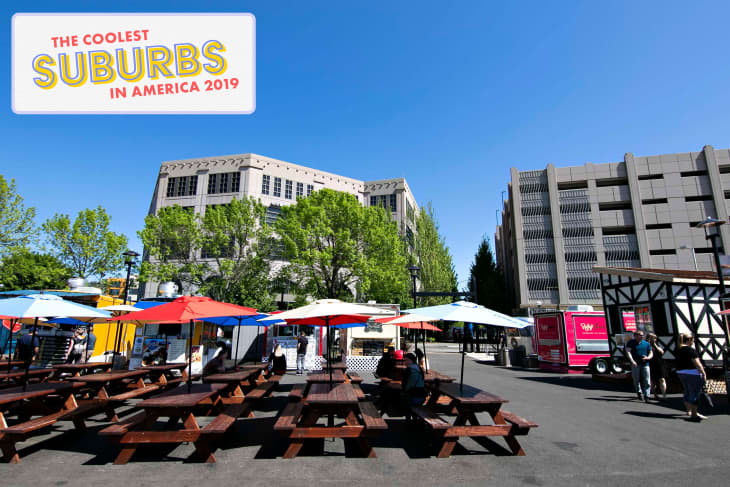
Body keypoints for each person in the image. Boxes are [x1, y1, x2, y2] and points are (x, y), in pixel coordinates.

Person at [676, 333, 707, 421]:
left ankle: (688, 410)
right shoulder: (690, 350)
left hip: (681, 372)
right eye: (692, 339)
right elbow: (697, 363)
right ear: (689, 340)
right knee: (694, 393)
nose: (693, 341)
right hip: (692, 373)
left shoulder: (678, 349)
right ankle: (694, 413)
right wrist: (703, 373)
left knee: (687, 391)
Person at [625, 330, 653, 402]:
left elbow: (650, 352)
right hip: (635, 364)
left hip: (645, 364)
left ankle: (647, 396)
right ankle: (639, 392)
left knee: (647, 380)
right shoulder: (631, 343)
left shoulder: (646, 343)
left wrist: (648, 357)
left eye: (642, 335)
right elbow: (628, 352)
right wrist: (632, 361)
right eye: (640, 335)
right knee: (636, 379)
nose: (642, 336)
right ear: (635, 336)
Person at [401, 352, 427, 420]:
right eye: (404, 360)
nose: (404, 362)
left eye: (406, 360)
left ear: (411, 360)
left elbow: (410, 384)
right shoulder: (418, 368)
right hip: (421, 394)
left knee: (403, 401)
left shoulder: (411, 370)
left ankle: (410, 421)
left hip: (414, 396)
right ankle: (414, 420)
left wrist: (404, 390)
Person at [647, 333, 667, 401]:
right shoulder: (646, 345)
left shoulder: (657, 345)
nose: (654, 340)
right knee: (653, 380)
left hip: (659, 363)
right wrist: (649, 343)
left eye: (655, 338)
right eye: (652, 338)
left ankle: (664, 395)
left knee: (662, 379)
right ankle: (655, 395)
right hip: (651, 363)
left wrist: (655, 344)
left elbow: (662, 352)